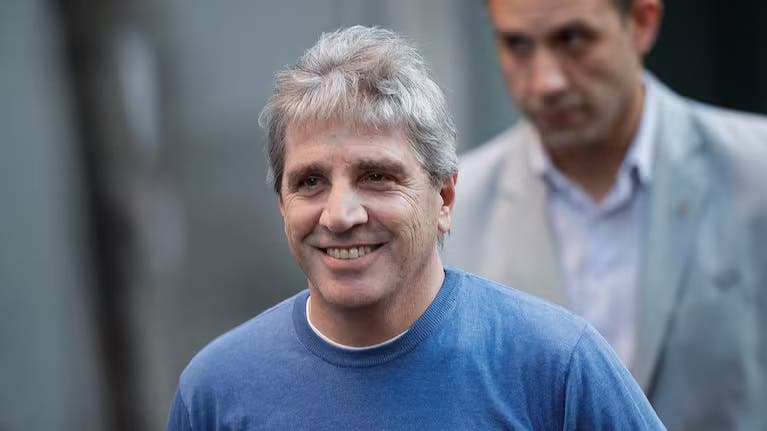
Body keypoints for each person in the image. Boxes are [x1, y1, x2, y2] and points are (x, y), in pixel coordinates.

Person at [167, 26, 665, 430]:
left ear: (444, 197)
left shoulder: (556, 367)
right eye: (310, 182)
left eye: (376, 177)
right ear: (282, 204)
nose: (340, 215)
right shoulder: (216, 391)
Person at [442, 0, 767, 429]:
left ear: (642, 22)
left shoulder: (755, 174)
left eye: (573, 39)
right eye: (517, 44)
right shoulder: (450, 209)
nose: (545, 82)